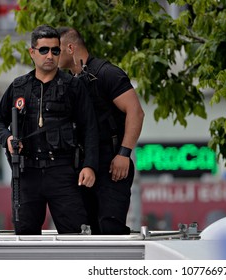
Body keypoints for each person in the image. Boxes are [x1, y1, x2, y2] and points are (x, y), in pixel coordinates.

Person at [0, 25, 99, 235]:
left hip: (62, 172)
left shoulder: (73, 86)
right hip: (26, 172)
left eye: (55, 50)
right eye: (44, 50)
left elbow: (90, 128)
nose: (50, 55)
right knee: (25, 236)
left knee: (75, 235)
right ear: (32, 52)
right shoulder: (18, 86)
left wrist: (90, 166)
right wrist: (8, 138)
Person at [57, 27, 145, 235]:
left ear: (70, 48)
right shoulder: (67, 83)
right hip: (83, 163)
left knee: (110, 227)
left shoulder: (107, 73)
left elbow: (136, 112)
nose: (52, 55)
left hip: (112, 161)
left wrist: (124, 153)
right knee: (86, 230)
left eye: (56, 50)